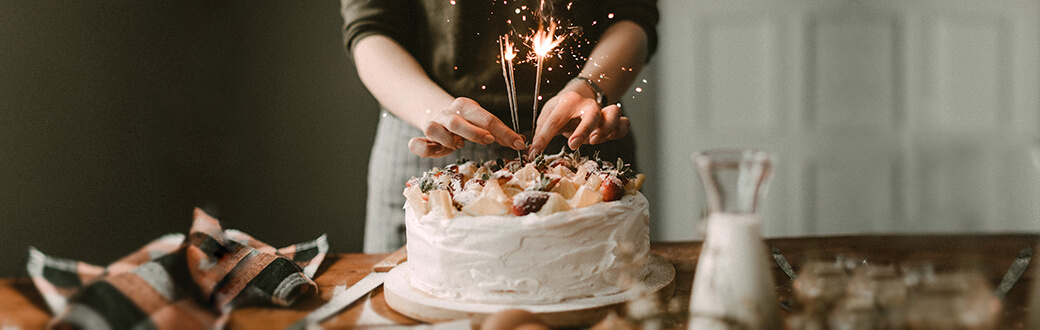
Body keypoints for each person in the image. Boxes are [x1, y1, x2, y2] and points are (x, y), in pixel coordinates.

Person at [340, 0, 659, 252]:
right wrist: (434, 110)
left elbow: (633, 12)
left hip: (579, 137)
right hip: (429, 138)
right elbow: (370, 25)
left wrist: (589, 88)